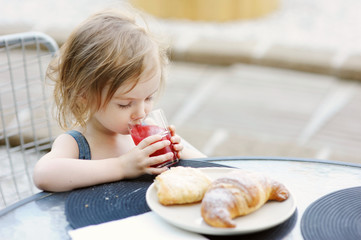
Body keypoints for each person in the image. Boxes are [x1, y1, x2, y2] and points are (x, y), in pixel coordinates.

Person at [33, 8, 206, 192]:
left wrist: (179, 154)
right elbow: (43, 174)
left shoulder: (149, 135)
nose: (141, 113)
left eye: (148, 97)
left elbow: (209, 165)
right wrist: (122, 166)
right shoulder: (77, 144)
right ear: (83, 95)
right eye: (125, 104)